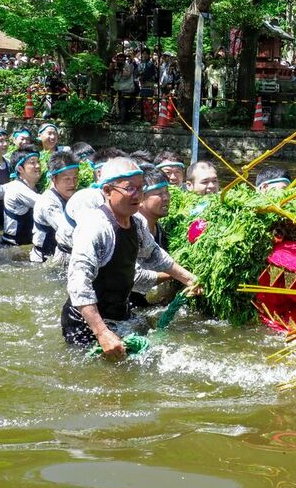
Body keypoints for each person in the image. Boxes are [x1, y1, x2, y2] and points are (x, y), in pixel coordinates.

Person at [62, 158, 203, 356]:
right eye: (130, 188)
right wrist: (102, 333)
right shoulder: (95, 228)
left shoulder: (136, 222)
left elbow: (154, 254)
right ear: (108, 191)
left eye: (140, 188)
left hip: (120, 313)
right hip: (86, 322)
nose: (137, 195)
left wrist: (189, 279)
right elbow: (78, 285)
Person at [132, 168, 176, 306]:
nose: (166, 198)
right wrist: (174, 274)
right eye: (159, 194)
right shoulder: (130, 232)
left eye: (167, 192)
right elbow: (134, 278)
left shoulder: (160, 231)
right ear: (140, 198)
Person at [31, 151, 78, 263]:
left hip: (61, 255)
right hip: (43, 261)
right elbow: (67, 232)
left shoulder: (73, 196)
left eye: (75, 178)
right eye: (66, 179)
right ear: (53, 179)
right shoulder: (48, 202)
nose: (72, 184)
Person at [2, 145, 41, 246]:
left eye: (38, 162)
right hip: (13, 247)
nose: (38, 166)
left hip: (25, 244)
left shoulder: (33, 187)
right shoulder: (17, 188)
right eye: (32, 163)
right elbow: (44, 204)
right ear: (20, 168)